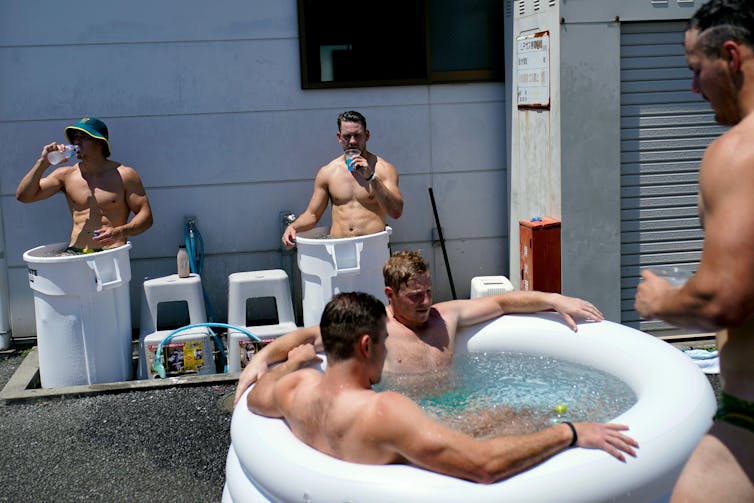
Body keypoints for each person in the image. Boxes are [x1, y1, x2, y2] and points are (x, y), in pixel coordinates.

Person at [247, 292, 637, 483]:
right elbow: (484, 467)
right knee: (517, 421)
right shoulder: (384, 412)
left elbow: (255, 399)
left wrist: (290, 363)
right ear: (367, 345)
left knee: (502, 416)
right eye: (384, 340)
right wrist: (569, 433)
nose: (388, 350)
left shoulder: (296, 389)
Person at [633, 2, 754, 501]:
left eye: (695, 71)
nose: (692, 88)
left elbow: (722, 300)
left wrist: (660, 302)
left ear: (730, 56)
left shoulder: (737, 152)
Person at [235, 250, 604, 403]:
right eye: (415, 296)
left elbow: (503, 302)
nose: (426, 301)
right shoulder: (374, 327)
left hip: (457, 404)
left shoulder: (447, 315)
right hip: (406, 413)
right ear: (390, 294)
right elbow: (309, 336)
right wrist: (261, 358)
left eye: (429, 291)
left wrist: (555, 299)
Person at [16, 117, 153, 253]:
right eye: (75, 137)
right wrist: (43, 163)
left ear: (99, 142)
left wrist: (119, 232)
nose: (76, 142)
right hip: (75, 252)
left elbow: (146, 216)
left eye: (83, 137)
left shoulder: (125, 175)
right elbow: (24, 196)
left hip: (111, 253)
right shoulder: (65, 175)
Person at [281, 110, 403, 248]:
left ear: (367, 135)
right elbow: (313, 215)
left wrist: (372, 177)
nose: (352, 141)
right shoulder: (328, 172)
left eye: (357, 136)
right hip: (339, 249)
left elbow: (396, 211)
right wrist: (293, 227)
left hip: (372, 248)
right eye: (347, 136)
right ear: (339, 137)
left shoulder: (383, 169)